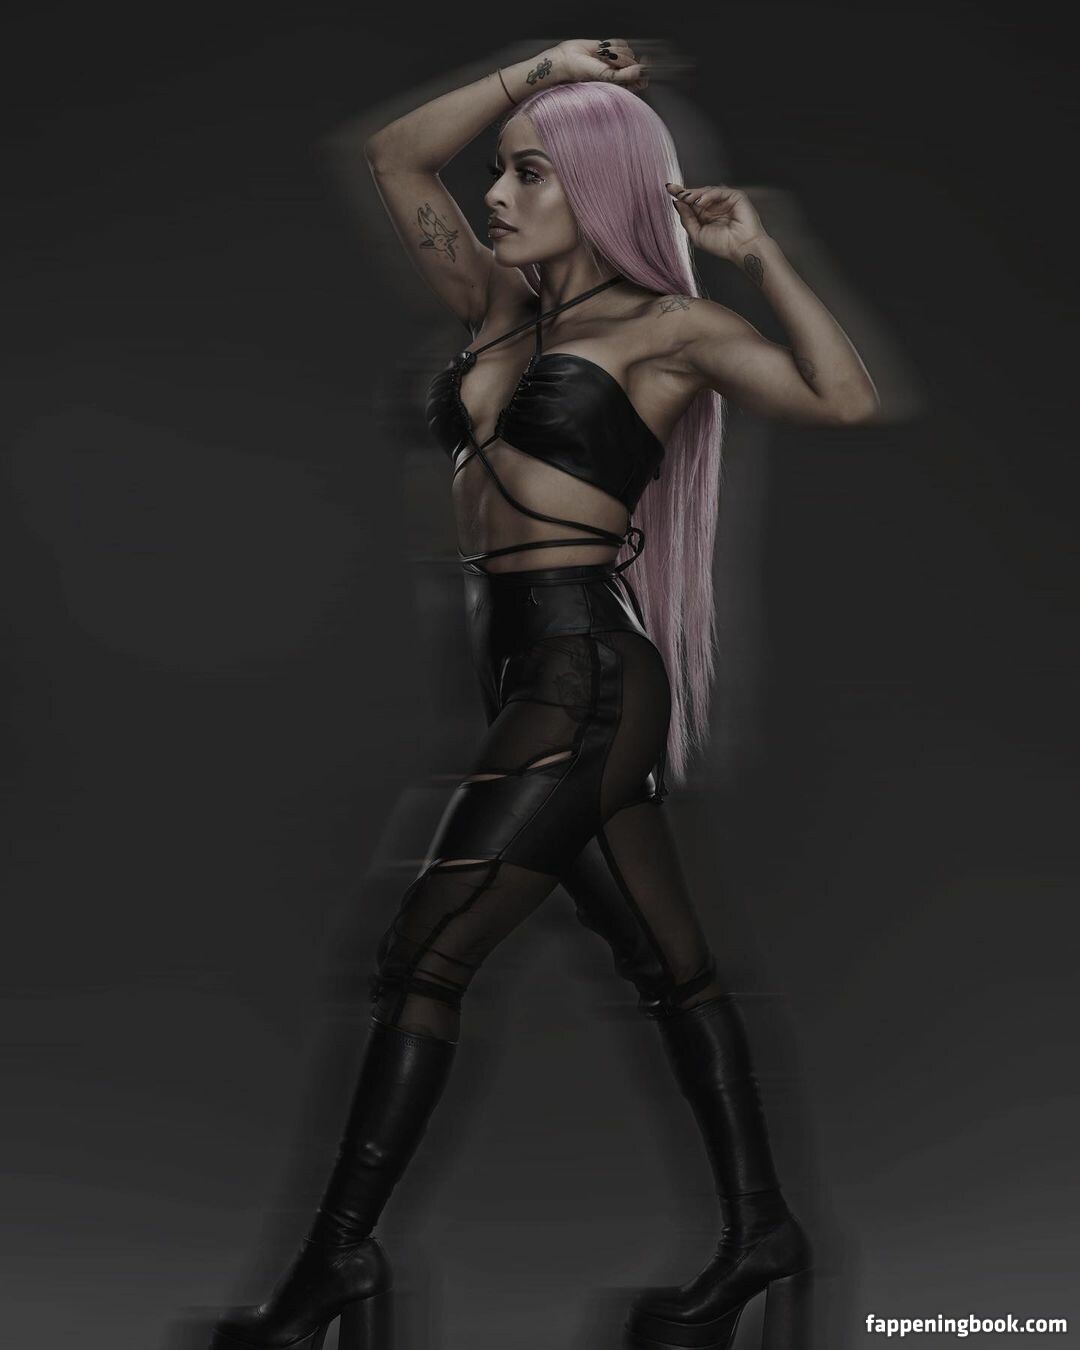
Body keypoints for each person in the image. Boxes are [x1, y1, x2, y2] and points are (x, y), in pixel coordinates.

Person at [209, 36, 879, 1350]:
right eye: (503, 172)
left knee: (423, 955)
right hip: (525, 670)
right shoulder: (497, 310)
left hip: (584, 676)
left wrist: (763, 255)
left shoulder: (669, 329)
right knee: (673, 967)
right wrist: (543, 66)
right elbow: (394, 156)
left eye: (530, 174)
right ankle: (763, 1232)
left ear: (601, 185)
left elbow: (839, 400)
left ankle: (333, 1270)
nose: (497, 194)